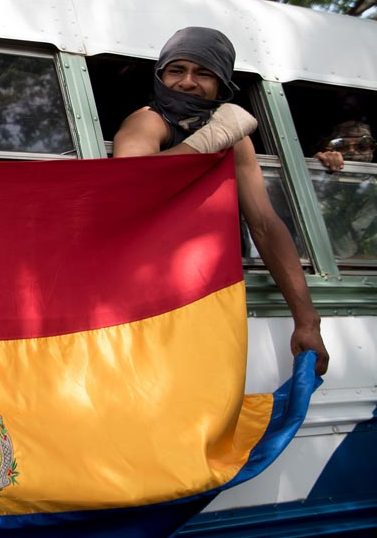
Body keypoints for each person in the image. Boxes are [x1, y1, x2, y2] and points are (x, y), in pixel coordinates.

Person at [112, 27, 330, 375]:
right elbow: (130, 185)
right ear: (161, 76)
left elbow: (264, 224)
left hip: (208, 297)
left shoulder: (233, 138)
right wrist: (207, 141)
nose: (187, 82)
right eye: (176, 70)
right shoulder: (148, 121)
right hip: (145, 299)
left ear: (222, 85)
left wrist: (307, 320)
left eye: (204, 73)